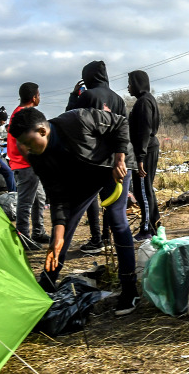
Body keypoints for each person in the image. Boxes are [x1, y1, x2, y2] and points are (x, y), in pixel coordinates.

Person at [8, 107, 140, 316]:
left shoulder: (77, 120)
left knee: (116, 218)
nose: (24, 149)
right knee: (64, 227)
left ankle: (130, 289)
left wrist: (120, 158)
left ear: (42, 131)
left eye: (27, 142)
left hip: (113, 166)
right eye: (21, 144)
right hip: (85, 176)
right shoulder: (37, 156)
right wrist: (56, 238)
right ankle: (48, 283)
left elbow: (120, 123)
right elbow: (58, 196)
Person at [66, 60, 127, 254]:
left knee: (90, 200)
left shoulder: (87, 96)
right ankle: (109, 239)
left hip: (92, 158)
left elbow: (71, 119)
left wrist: (74, 95)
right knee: (112, 203)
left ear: (87, 77)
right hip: (114, 159)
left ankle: (95, 239)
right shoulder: (119, 99)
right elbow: (124, 130)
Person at [7, 82, 49, 248]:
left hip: (27, 164)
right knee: (26, 202)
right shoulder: (26, 115)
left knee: (40, 198)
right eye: (39, 95)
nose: (39, 98)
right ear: (34, 97)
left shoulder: (18, 113)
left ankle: (38, 231)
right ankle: (23, 237)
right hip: (26, 165)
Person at [127, 70, 161, 241]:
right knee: (145, 189)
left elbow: (145, 131)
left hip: (145, 151)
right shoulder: (147, 100)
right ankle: (155, 225)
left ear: (138, 84)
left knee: (142, 191)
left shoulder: (144, 102)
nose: (128, 87)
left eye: (130, 83)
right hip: (148, 149)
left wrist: (139, 158)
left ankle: (147, 229)